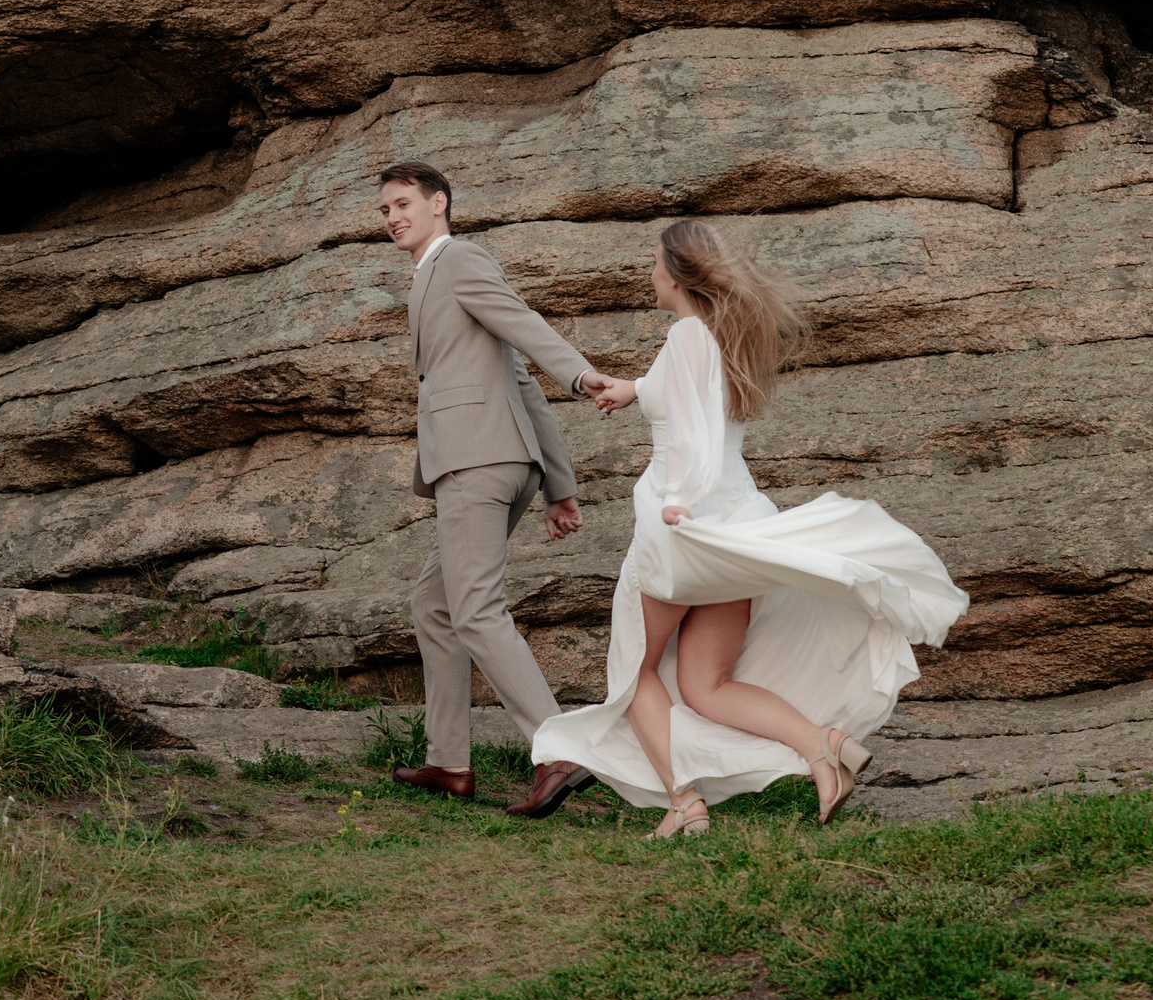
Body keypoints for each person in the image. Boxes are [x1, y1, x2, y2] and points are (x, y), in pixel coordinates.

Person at [532, 219, 969, 837]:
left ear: (677, 273)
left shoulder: (685, 334)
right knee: (707, 685)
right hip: (734, 529)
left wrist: (678, 501)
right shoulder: (714, 336)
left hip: (679, 531)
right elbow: (691, 403)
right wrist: (633, 389)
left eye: (655, 262)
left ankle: (684, 805)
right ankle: (826, 748)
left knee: (636, 673)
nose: (649, 272)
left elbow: (696, 437)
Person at [378, 161, 626, 818]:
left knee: (477, 611)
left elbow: (522, 322)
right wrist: (558, 484)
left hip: (477, 461)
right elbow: (515, 380)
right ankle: (450, 761)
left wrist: (579, 375)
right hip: (499, 460)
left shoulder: (459, 260)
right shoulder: (431, 275)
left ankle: (560, 751)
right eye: (386, 209)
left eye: (404, 204)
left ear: (440, 204)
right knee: (434, 604)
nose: (394, 217)